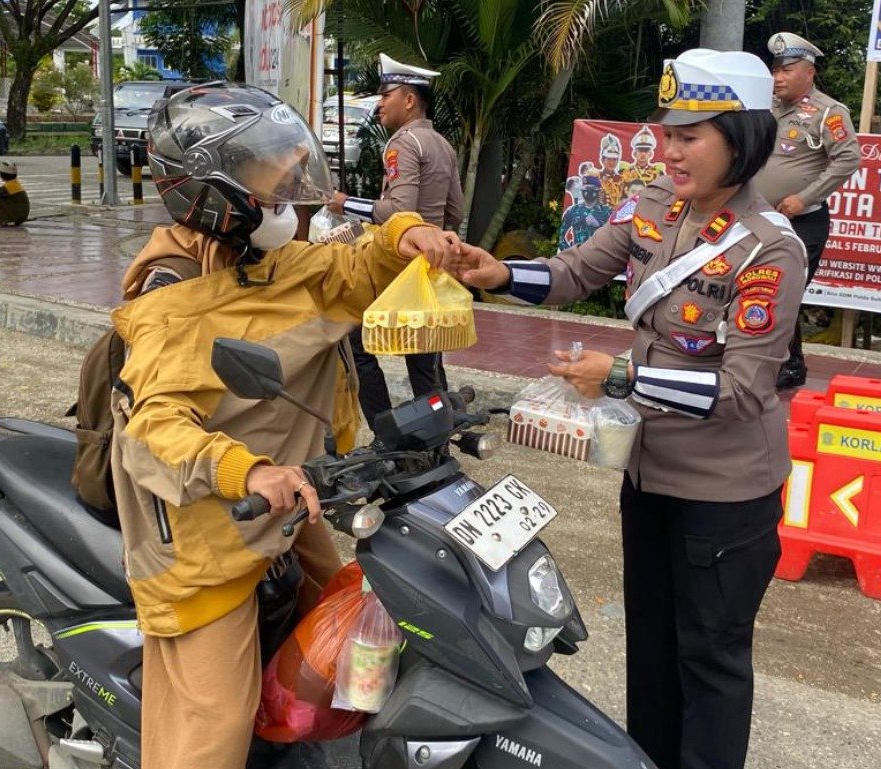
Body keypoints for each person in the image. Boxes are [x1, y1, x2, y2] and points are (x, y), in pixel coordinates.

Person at [454, 49, 804, 769]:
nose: (669, 150)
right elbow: (576, 270)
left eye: (690, 136)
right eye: (667, 134)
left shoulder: (771, 249)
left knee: (710, 657)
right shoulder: (653, 205)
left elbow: (743, 390)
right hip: (649, 473)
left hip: (724, 492)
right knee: (650, 644)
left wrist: (619, 375)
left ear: (740, 138)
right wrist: (499, 273)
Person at [110, 82, 468, 769]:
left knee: (354, 628)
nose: (292, 203)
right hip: (202, 529)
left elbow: (351, 268)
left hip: (290, 500)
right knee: (214, 727)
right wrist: (248, 471)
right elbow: (154, 427)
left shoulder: (269, 261)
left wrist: (406, 235)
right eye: (275, 188)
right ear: (216, 195)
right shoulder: (173, 300)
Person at [326, 53, 464, 425]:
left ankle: (385, 428)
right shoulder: (442, 144)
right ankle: (437, 436)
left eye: (386, 95)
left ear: (409, 100)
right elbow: (456, 212)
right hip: (430, 269)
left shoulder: (402, 143)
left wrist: (345, 203)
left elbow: (399, 210)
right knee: (425, 358)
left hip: (397, 264)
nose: (379, 104)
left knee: (355, 342)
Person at [752, 32, 861, 390]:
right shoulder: (765, 107)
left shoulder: (829, 112)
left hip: (802, 221)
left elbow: (847, 159)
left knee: (782, 291)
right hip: (759, 217)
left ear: (809, 72)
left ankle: (790, 365)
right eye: (775, 70)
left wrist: (804, 197)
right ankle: (767, 358)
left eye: (786, 70)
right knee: (756, 288)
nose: (778, 77)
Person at [559, 174, 612, 248]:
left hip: (599, 253)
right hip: (578, 254)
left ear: (598, 190)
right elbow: (560, 236)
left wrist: (598, 225)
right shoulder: (572, 211)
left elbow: (614, 235)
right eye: (586, 188)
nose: (588, 191)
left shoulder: (608, 211)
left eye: (592, 188)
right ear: (582, 190)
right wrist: (570, 251)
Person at [0, 159, 30, 226]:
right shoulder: (14, 183)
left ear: (1, 175)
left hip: (18, 217)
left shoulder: (8, 187)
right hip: (22, 215)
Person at [621, 124, 667, 189]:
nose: (643, 154)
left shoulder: (658, 173)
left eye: (646, 150)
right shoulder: (626, 172)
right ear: (635, 153)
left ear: (650, 154)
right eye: (640, 150)